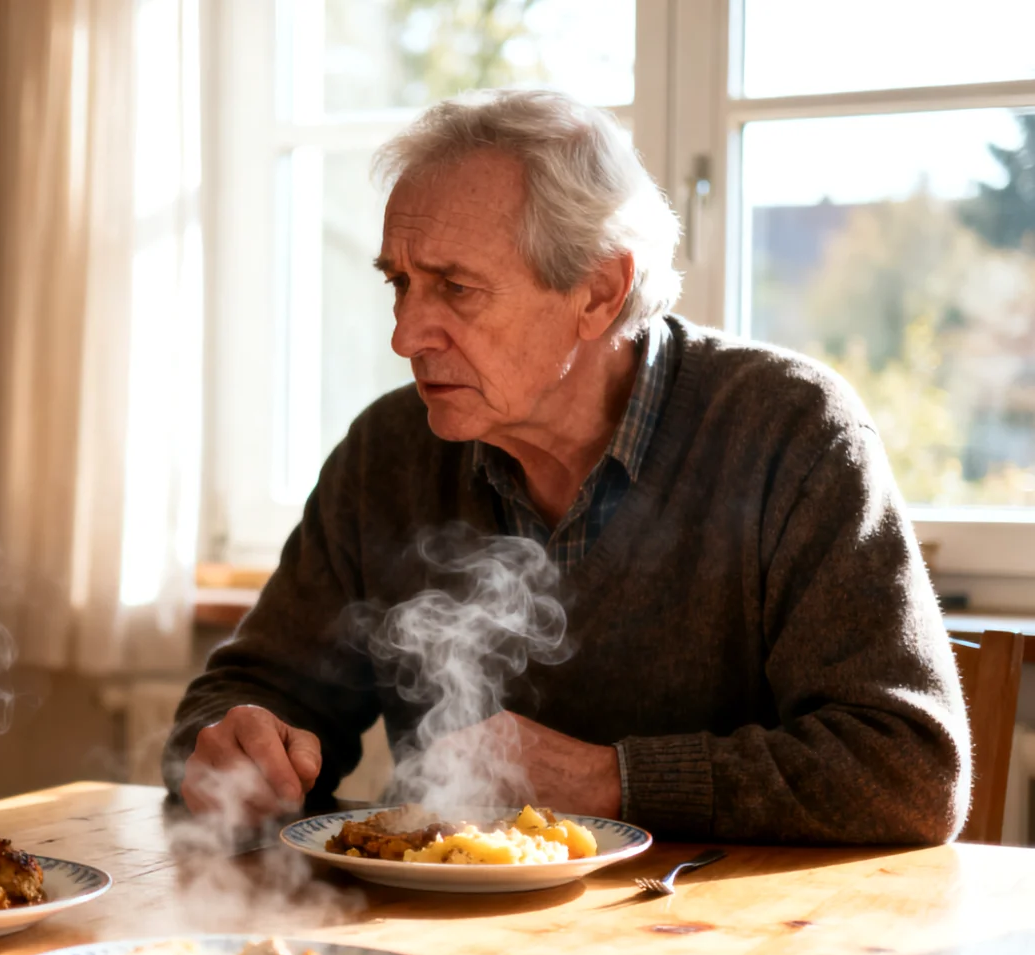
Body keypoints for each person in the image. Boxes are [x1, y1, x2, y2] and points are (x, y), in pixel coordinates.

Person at [164, 89, 968, 845]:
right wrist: (239, 741)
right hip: (453, 947)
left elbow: (908, 770)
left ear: (599, 291)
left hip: (730, 951)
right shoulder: (389, 452)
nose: (406, 335)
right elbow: (239, 696)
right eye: (401, 284)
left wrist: (612, 779)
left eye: (455, 288)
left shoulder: (791, 431)